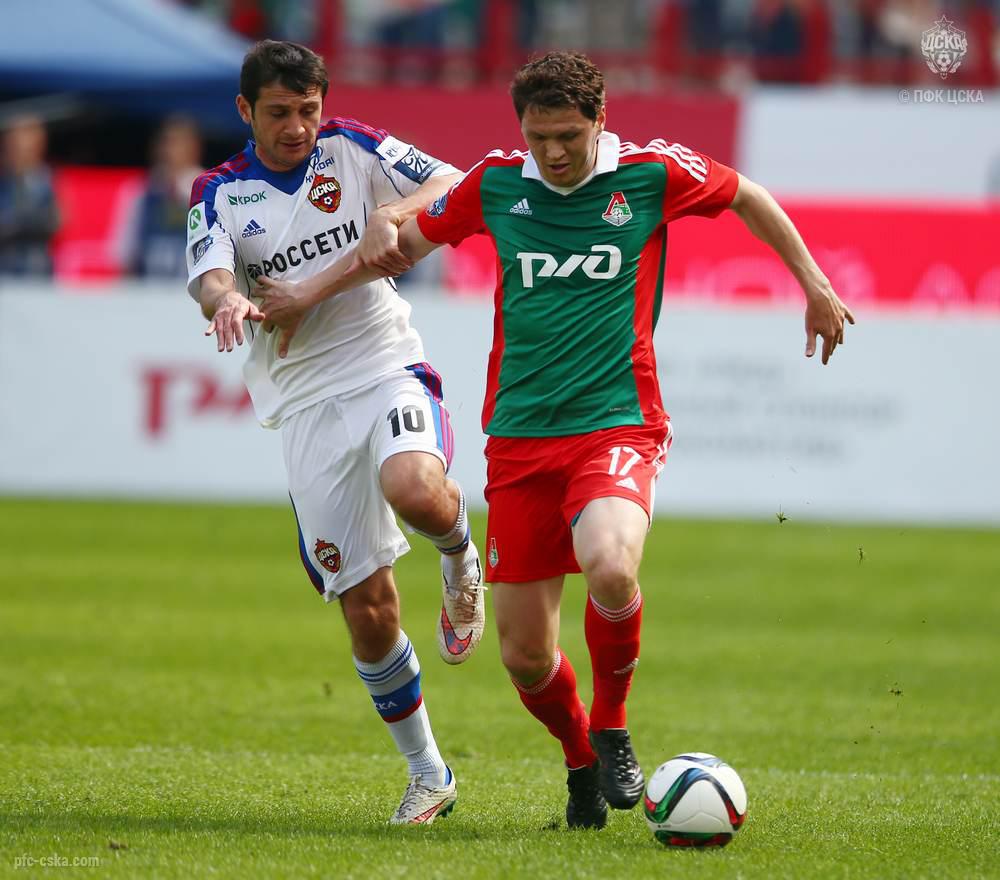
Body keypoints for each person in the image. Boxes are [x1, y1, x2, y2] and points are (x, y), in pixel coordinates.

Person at [254, 50, 855, 829]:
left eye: (568, 136)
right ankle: (581, 766)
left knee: (611, 563)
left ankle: (612, 728)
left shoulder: (650, 173)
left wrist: (814, 283)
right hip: (519, 439)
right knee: (525, 655)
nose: (554, 152)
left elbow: (748, 194)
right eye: (539, 138)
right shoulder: (498, 184)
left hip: (616, 421)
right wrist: (324, 275)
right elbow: (400, 246)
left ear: (600, 120)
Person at [184, 39, 486, 825]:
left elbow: (458, 183)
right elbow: (210, 272)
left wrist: (390, 210)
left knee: (414, 488)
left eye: (308, 110)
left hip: (386, 364)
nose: (297, 127)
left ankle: (460, 555)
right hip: (306, 403)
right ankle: (429, 773)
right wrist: (225, 299)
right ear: (245, 111)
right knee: (369, 611)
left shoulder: (354, 148)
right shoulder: (220, 192)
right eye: (279, 113)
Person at [129, 116, 204, 278]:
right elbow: (126, 254)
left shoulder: (210, 192)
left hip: (192, 286)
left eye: (176, 143)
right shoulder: (141, 192)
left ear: (194, 148)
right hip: (148, 286)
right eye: (165, 143)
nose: (168, 151)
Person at [0, 114, 59, 277]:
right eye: (14, 139)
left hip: (37, 268)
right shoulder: (3, 180)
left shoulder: (48, 179)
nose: (20, 146)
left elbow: (58, 221)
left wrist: (17, 227)